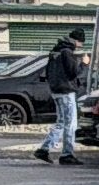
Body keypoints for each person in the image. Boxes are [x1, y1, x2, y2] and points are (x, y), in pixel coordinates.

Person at [37, 30, 89, 165]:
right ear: (77, 41)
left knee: (61, 122)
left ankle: (44, 149)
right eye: (81, 43)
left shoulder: (56, 51)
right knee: (71, 123)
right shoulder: (67, 52)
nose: (80, 46)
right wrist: (84, 63)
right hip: (66, 91)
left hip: (56, 90)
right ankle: (67, 154)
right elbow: (73, 73)